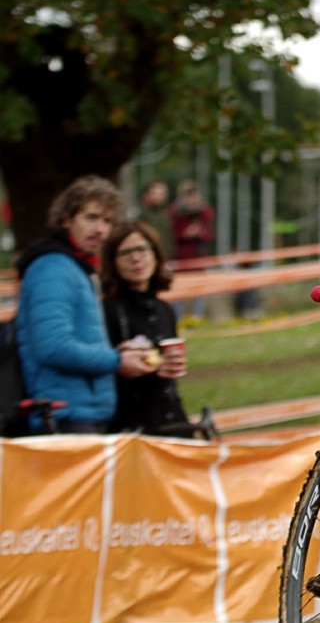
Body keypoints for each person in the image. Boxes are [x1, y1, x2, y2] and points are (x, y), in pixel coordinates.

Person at [14, 175, 157, 433]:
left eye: (107, 221)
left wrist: (118, 353)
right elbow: (53, 347)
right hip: (63, 415)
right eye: (91, 217)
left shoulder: (75, 267)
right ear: (67, 220)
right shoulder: (53, 268)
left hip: (81, 412)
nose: (100, 229)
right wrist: (116, 360)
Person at [100, 221, 194, 437]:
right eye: (125, 253)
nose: (136, 258)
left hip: (172, 422)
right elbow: (104, 372)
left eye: (142, 249)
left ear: (155, 254)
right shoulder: (108, 310)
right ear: (113, 262)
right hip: (133, 429)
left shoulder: (165, 310)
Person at [168, 179, 214, 262]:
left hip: (200, 255)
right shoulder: (174, 212)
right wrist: (185, 234)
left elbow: (209, 234)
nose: (191, 198)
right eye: (187, 194)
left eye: (192, 193)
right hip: (182, 255)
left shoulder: (204, 211)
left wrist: (200, 232)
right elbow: (170, 234)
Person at [137, 180, 174, 260]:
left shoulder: (169, 213)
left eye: (162, 193)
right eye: (156, 193)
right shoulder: (143, 214)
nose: (160, 197)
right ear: (149, 194)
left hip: (167, 256)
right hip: (149, 256)